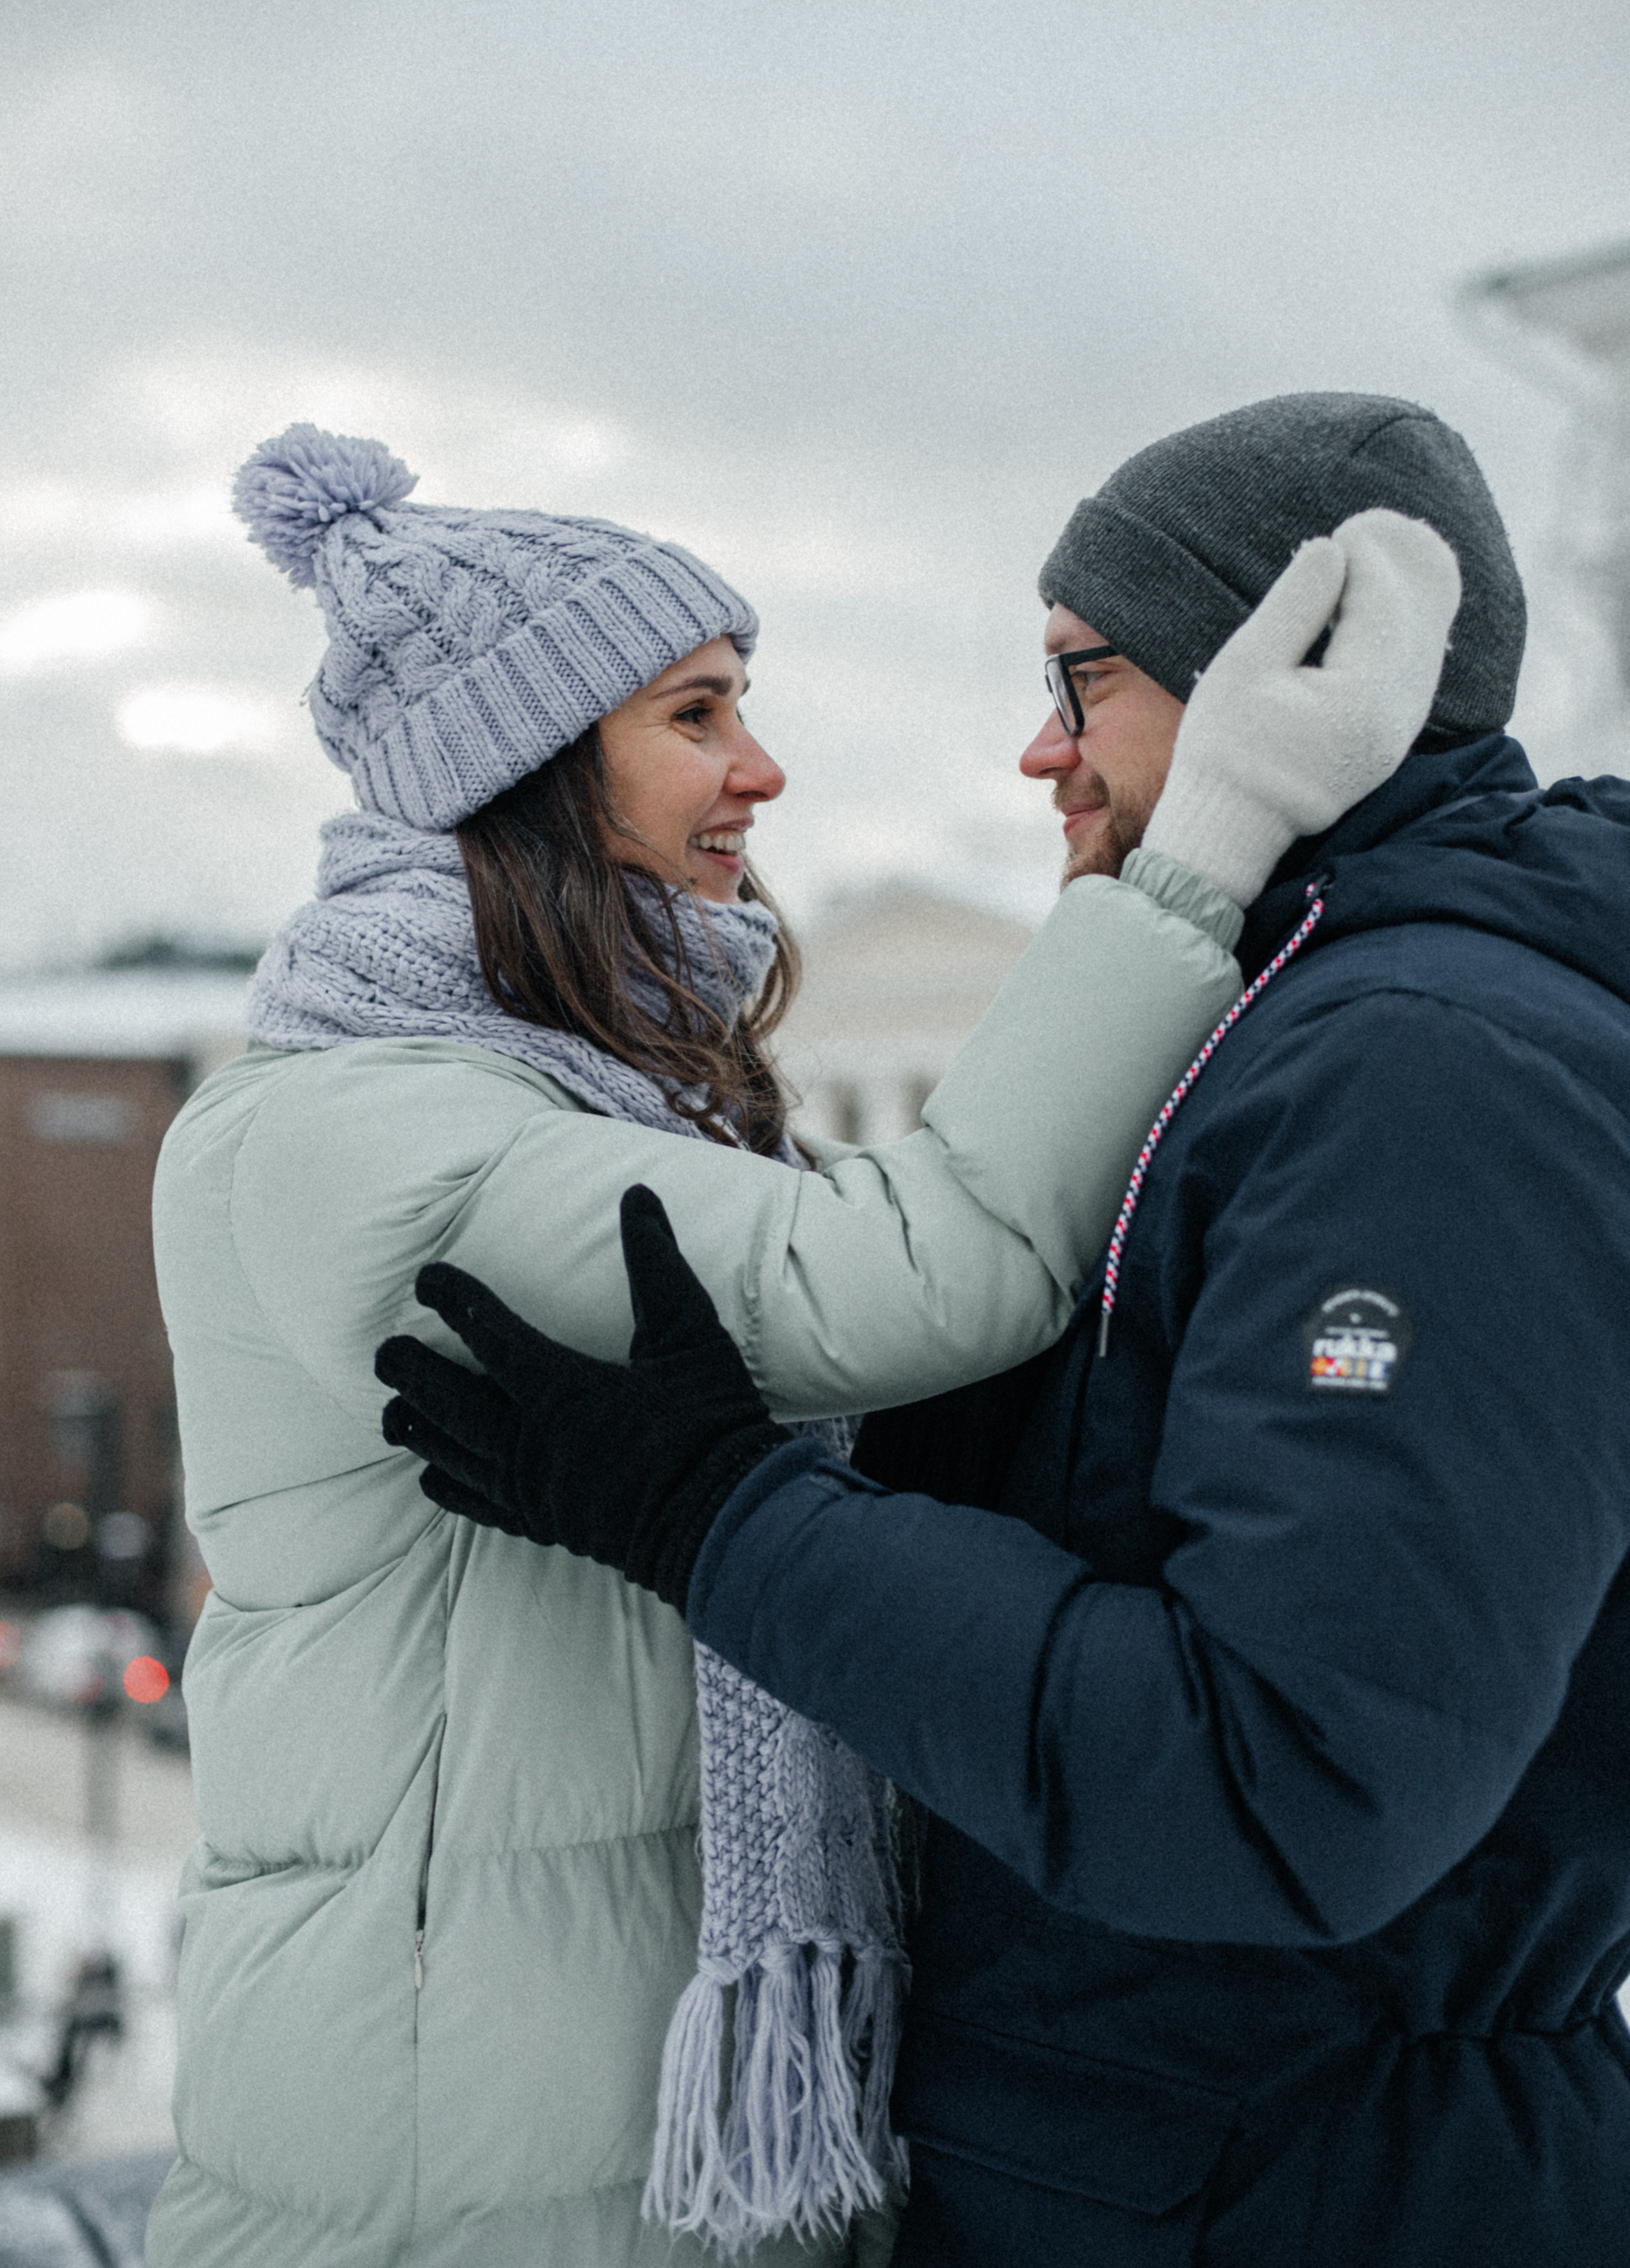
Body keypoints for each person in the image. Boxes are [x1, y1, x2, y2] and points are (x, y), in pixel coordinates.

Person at [150, 419, 1446, 2268]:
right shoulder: (366, 1135)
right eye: (695, 714)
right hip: (448, 2150)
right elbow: (918, 1271)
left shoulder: (605, 1100)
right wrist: (1198, 851)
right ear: (524, 764)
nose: (759, 768)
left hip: (586, 2102)